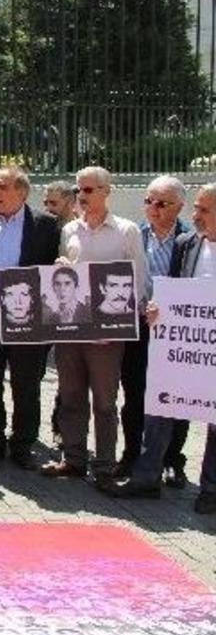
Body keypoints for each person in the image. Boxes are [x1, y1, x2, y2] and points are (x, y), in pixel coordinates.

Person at [106, 183, 216, 514]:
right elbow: (173, 289)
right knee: (160, 408)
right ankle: (146, 478)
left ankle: (211, 489)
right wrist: (159, 308)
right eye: (195, 207)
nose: (194, 215)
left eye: (203, 210)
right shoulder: (188, 244)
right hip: (180, 346)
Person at [42, 165, 148, 488]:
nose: (82, 196)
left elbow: (139, 281)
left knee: (104, 402)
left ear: (106, 191)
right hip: (71, 328)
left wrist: (121, 323)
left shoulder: (127, 231)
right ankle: (73, 459)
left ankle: (104, 465)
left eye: (88, 190)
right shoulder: (69, 230)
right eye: (78, 190)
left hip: (107, 334)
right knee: (71, 396)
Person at [0, 164, 60, 469]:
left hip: (28, 315)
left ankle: (22, 444)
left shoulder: (46, 225)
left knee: (26, 381)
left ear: (22, 192)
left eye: (2, 187)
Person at [118, 175, 190, 480]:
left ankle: (172, 459)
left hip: (175, 331)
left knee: (176, 398)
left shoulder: (190, 240)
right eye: (149, 201)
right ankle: (132, 455)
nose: (153, 208)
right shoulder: (133, 234)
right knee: (134, 395)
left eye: (162, 203)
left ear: (179, 207)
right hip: (138, 327)